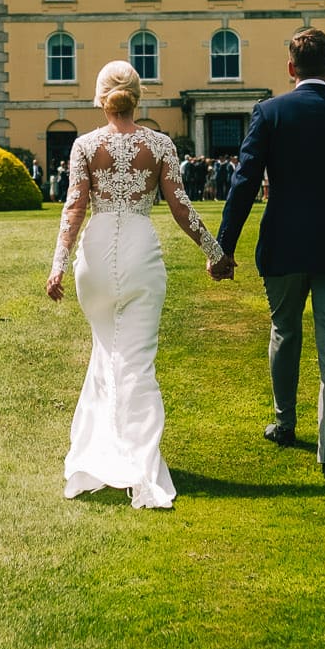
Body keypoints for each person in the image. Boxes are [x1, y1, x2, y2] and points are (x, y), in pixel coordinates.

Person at [47, 61, 227, 508]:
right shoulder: (160, 144)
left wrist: (58, 265)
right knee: (137, 361)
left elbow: (73, 210)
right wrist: (216, 252)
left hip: (95, 256)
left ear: (100, 96)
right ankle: (141, 468)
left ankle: (103, 455)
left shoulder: (85, 145)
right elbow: (182, 208)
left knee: (106, 352)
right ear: (138, 96)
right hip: (140, 255)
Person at [214, 28, 325, 482]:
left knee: (284, 332)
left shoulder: (270, 113)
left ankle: (284, 422)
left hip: (285, 243)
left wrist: (223, 247)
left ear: (291, 69)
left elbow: (244, 183)